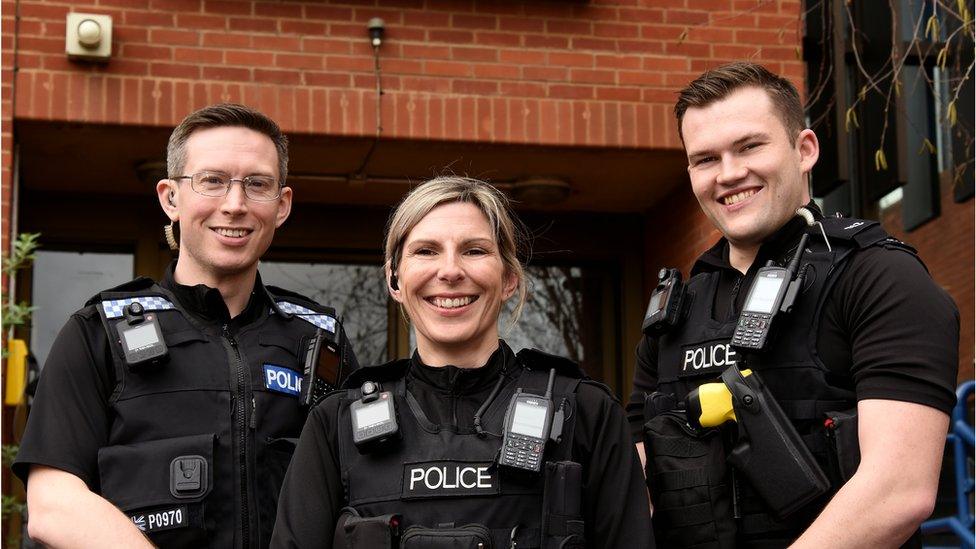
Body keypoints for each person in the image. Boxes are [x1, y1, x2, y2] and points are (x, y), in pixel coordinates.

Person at [627, 62, 960, 548]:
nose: (729, 173)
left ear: (804, 150)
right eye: (705, 159)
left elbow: (898, 492)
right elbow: (634, 485)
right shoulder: (673, 314)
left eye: (749, 146)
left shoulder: (879, 278)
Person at [14, 103, 358, 548]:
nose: (235, 205)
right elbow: (53, 505)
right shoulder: (97, 334)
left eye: (257, 185)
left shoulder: (319, 342)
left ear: (282, 205)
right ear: (170, 198)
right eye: (212, 181)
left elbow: (361, 494)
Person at [271, 176, 654, 548]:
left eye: (474, 250)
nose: (450, 271)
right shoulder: (335, 423)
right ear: (394, 279)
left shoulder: (586, 413)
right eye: (426, 251)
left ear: (509, 278)